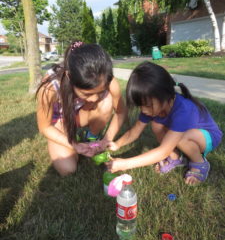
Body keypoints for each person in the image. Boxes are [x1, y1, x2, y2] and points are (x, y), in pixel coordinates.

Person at [106, 61, 222, 185]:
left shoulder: (184, 109)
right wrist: (116, 144)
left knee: (181, 137)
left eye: (148, 105)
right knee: (157, 124)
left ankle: (199, 163)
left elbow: (163, 151)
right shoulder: (153, 107)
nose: (144, 110)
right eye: (141, 106)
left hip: (207, 137)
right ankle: (175, 158)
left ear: (165, 95)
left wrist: (125, 164)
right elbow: (135, 131)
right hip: (185, 136)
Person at [36, 42, 127, 176]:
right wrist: (74, 145)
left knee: (106, 100)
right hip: (60, 122)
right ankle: (72, 137)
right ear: (69, 77)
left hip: (80, 115)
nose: (95, 99)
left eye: (99, 92)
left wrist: (107, 139)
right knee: (68, 169)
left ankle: (91, 137)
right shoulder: (50, 87)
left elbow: (120, 112)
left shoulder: (107, 79)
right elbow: (45, 127)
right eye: (87, 94)